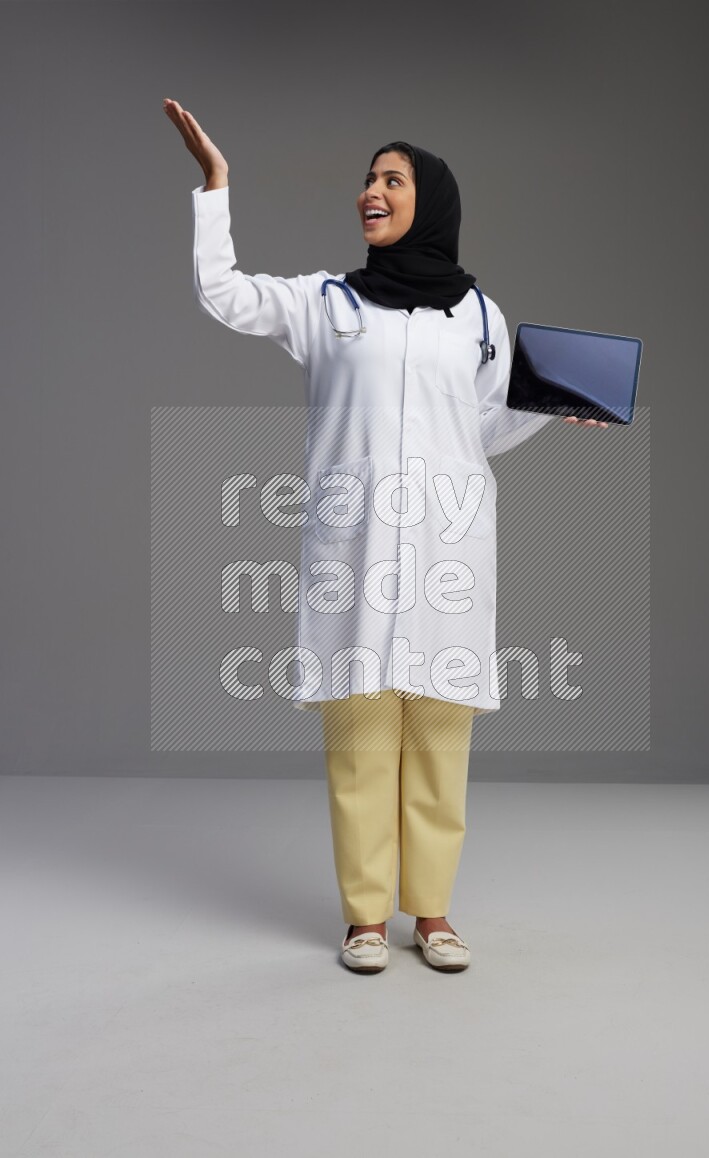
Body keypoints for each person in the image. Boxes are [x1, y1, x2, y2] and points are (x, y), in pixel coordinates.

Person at [163, 98, 608, 973]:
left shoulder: (480, 317)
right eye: (368, 178)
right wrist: (216, 187)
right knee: (363, 740)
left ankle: (432, 915)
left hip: (446, 552)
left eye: (391, 179)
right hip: (353, 554)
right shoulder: (324, 305)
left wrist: (555, 407)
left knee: (440, 738)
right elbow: (224, 295)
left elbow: (480, 429)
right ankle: (367, 918)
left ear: (429, 201)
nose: (372, 190)